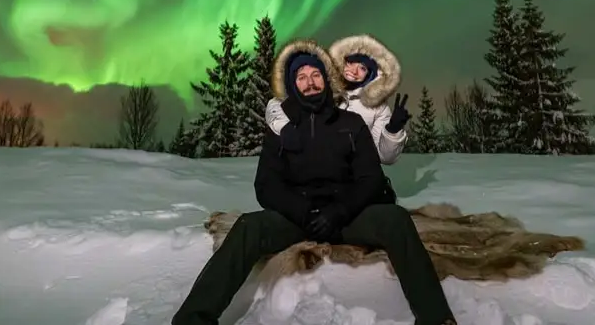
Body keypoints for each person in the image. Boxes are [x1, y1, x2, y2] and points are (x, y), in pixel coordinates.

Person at [172, 39, 456, 325]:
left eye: (316, 75)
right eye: (302, 77)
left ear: (326, 78)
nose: (310, 82)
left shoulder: (350, 123)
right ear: (294, 85)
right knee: (248, 227)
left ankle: (436, 318)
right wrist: (302, 211)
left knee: (395, 219)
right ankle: (193, 319)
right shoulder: (280, 129)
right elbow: (266, 186)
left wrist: (341, 211)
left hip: (347, 217)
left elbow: (371, 179)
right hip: (298, 219)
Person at [264, 34, 411, 165]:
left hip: (353, 177)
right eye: (350, 62)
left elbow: (385, 158)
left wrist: (393, 131)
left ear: (371, 74)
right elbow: (276, 104)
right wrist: (284, 127)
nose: (354, 71)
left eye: (363, 68)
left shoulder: (377, 108)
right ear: (341, 61)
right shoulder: (323, 86)